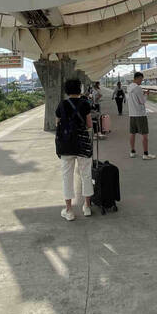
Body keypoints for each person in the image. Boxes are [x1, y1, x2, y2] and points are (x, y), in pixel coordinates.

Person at [55, 79, 94, 221]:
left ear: (66, 90)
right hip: (82, 144)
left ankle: (69, 210)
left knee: (67, 177)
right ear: (79, 89)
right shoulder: (85, 104)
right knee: (86, 175)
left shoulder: (62, 105)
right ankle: (87, 207)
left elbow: (57, 124)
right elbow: (89, 124)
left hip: (66, 146)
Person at [128, 71, 155, 160]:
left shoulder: (129, 87)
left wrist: (142, 95)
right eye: (141, 80)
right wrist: (146, 95)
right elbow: (142, 101)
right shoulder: (138, 88)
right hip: (140, 114)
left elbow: (135, 99)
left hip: (132, 114)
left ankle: (132, 152)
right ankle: (145, 154)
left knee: (132, 133)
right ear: (138, 78)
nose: (141, 81)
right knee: (144, 135)